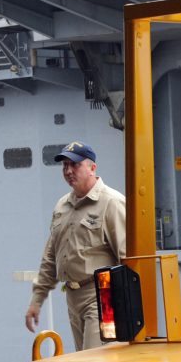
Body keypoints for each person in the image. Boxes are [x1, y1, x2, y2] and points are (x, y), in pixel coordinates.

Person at [25, 142, 126, 351]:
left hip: (103, 294)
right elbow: (51, 256)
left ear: (92, 168)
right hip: (72, 297)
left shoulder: (111, 203)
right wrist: (36, 300)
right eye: (65, 166)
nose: (68, 171)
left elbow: (129, 258)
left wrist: (126, 307)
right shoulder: (62, 206)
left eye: (75, 165)